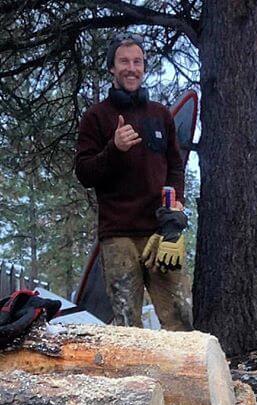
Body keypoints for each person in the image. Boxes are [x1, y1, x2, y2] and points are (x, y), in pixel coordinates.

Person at [74, 32, 193, 330]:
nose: (131, 67)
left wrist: (175, 206)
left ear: (144, 67)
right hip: (119, 236)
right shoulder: (96, 117)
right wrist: (114, 149)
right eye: (124, 61)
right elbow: (84, 172)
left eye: (137, 61)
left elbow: (175, 168)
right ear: (111, 68)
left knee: (181, 316)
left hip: (160, 233)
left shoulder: (160, 115)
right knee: (129, 325)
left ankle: (187, 374)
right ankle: (137, 378)